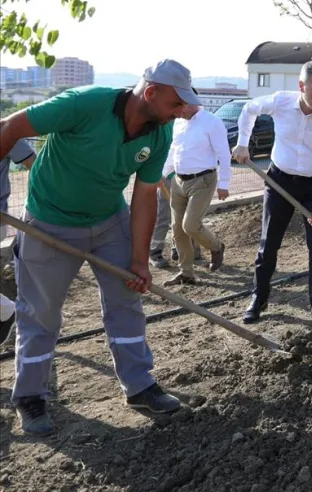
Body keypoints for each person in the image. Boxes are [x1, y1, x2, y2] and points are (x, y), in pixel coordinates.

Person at [0, 59, 200, 436]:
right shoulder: (84, 104)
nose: (182, 112)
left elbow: (143, 197)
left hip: (110, 223)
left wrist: (140, 261)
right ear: (151, 92)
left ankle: (139, 385)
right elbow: (11, 127)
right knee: (40, 312)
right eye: (176, 104)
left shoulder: (159, 133)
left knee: (127, 299)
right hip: (49, 222)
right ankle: (29, 396)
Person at [232, 61, 312, 326]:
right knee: (268, 243)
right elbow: (248, 110)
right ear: (301, 86)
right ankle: (258, 298)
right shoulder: (281, 102)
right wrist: (241, 143)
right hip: (279, 180)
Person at [161, 89, 230, 286]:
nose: (176, 110)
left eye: (178, 105)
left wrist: (224, 184)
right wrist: (163, 173)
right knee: (178, 230)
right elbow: (174, 150)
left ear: (191, 102)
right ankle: (186, 273)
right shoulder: (179, 122)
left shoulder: (211, 122)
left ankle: (216, 247)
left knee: (190, 225)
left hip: (203, 180)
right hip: (178, 181)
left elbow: (224, 154)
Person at [0, 140, 36, 345]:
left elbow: (37, 167)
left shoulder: (5, 130)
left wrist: (38, 205)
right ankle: (5, 309)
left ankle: (6, 310)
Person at [148, 174, 202, 268]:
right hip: (167, 179)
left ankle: (178, 250)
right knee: (163, 218)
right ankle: (154, 253)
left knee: (184, 217)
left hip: (189, 178)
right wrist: (159, 173)